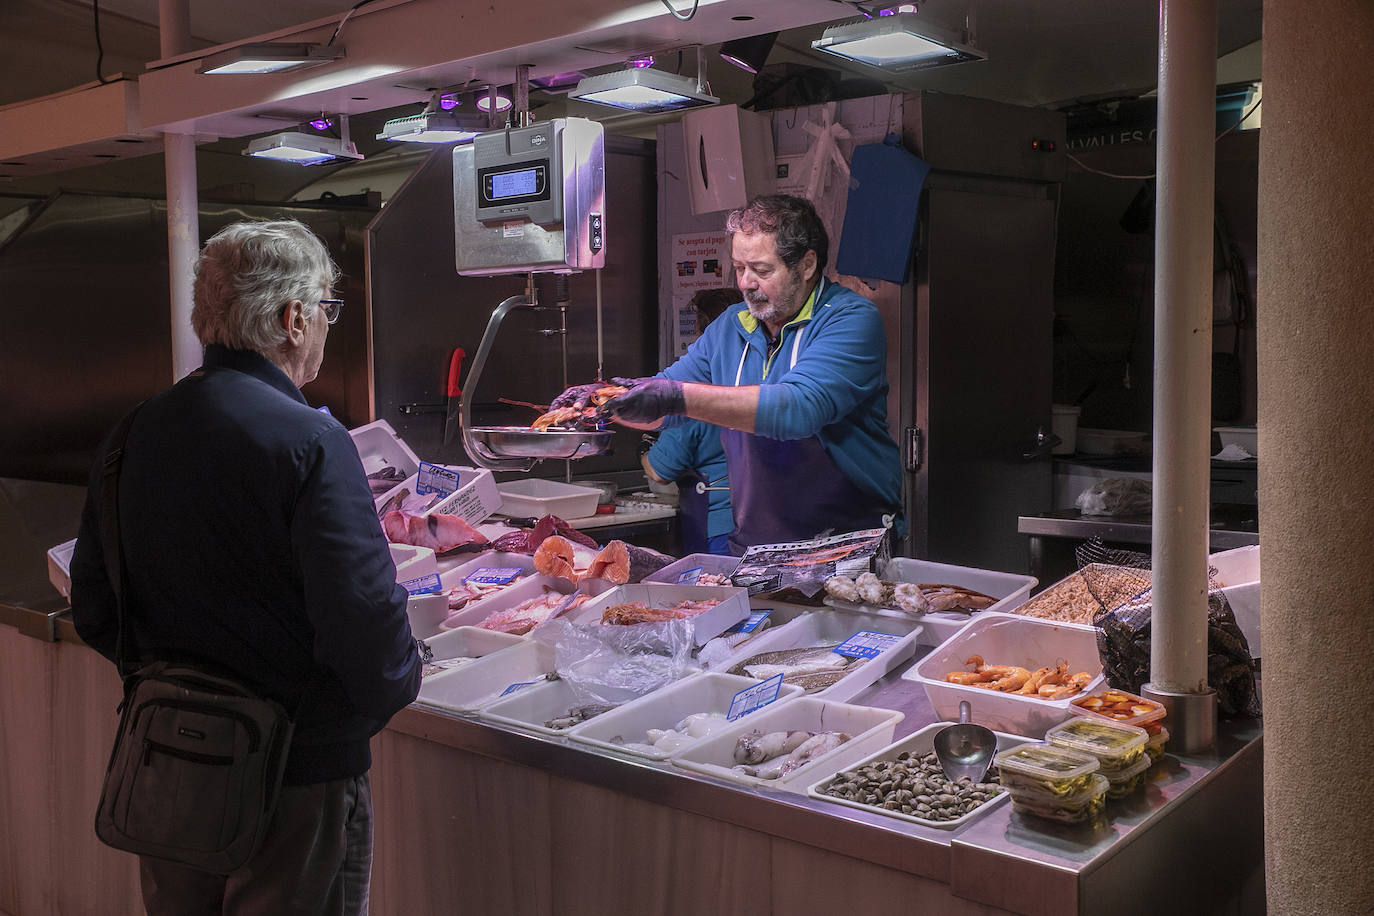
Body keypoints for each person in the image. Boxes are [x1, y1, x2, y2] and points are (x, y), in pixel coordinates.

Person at [69, 219, 422, 916]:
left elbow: (95, 605)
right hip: (297, 775)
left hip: (168, 763)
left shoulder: (135, 428)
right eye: (326, 309)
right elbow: (363, 621)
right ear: (294, 319)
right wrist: (391, 686)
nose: (325, 326)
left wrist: (183, 686)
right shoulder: (312, 439)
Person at [559, 194, 902, 553]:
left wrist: (673, 397)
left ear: (806, 265)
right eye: (739, 268)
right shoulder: (729, 327)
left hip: (847, 544)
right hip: (756, 545)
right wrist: (602, 401)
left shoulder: (848, 319)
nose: (745, 283)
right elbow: (666, 399)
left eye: (761, 270)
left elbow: (800, 407)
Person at [641, 289, 737, 555]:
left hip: (718, 530)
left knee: (716, 583)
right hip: (767, 522)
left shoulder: (695, 398)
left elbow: (659, 471)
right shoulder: (760, 379)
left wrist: (644, 452)